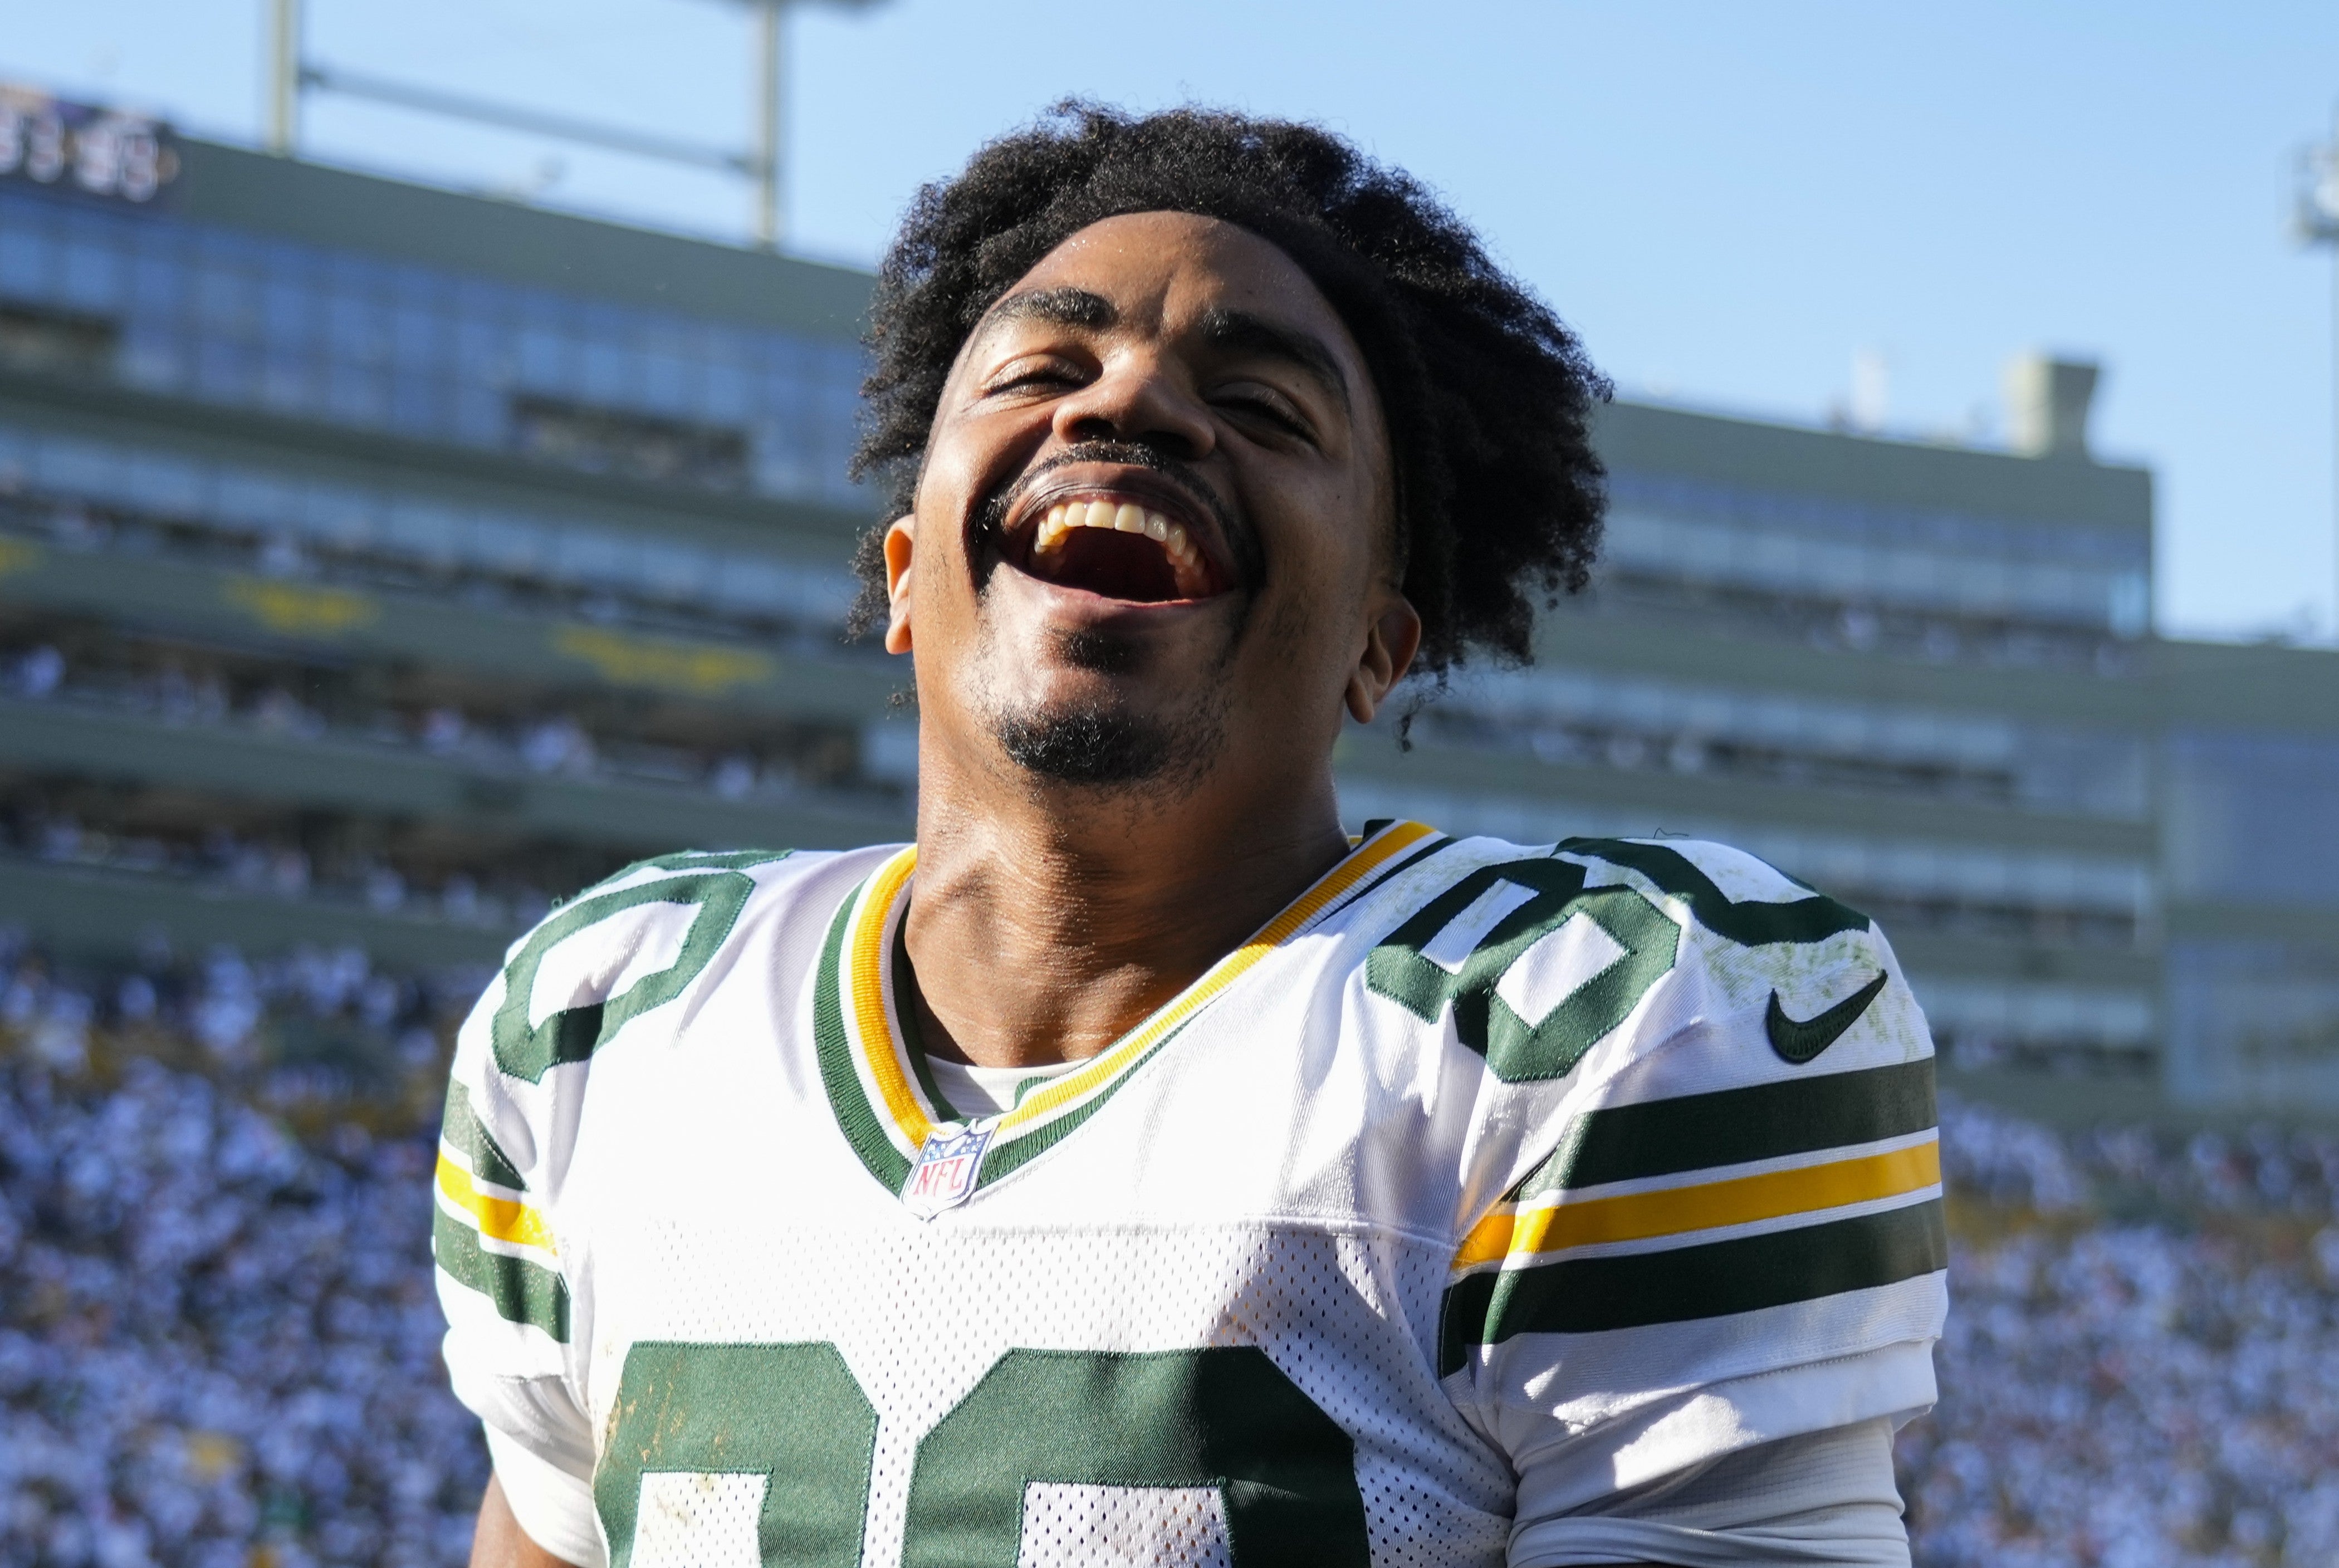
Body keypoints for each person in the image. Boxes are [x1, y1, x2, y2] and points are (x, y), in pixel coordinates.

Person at [441, 102, 1945, 1568]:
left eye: (1265, 408)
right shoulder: (608, 1022)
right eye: (1043, 365)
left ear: (1380, 645)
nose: (1130, 405)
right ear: (905, 571)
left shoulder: (1595, 1029)